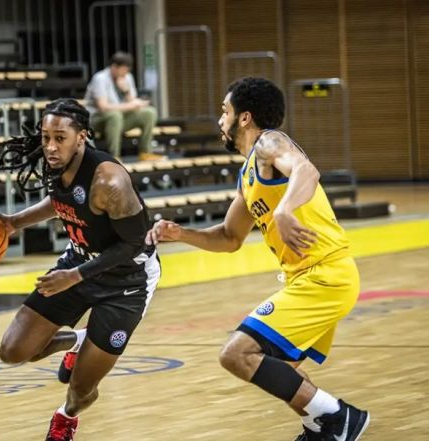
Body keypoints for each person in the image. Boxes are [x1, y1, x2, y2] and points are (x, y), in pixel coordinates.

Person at [145, 77, 370, 441]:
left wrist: (284, 210)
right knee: (275, 368)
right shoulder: (248, 175)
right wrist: (181, 234)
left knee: (236, 354)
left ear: (244, 117)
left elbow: (306, 171)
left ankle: (339, 417)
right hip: (311, 278)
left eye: (225, 111)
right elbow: (229, 237)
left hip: (325, 274)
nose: (221, 120)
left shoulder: (269, 143)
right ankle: (319, 428)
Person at [0, 98, 160, 441]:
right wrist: (14, 222)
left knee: (81, 389)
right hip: (79, 261)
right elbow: (63, 200)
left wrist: (74, 277)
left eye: (59, 138)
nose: (50, 146)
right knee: (14, 351)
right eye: (46, 137)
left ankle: (66, 417)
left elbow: (134, 244)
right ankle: (79, 340)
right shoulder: (56, 164)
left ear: (82, 137)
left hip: (127, 280)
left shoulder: (110, 181)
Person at [84, 51, 165, 161]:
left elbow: (132, 101)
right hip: (98, 119)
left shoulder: (127, 77)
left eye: (127, 70)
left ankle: (145, 152)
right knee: (115, 115)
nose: (125, 73)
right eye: (123, 70)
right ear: (114, 67)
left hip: (120, 118)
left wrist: (126, 91)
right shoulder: (100, 78)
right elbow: (103, 107)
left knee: (149, 112)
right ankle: (114, 156)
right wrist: (130, 106)